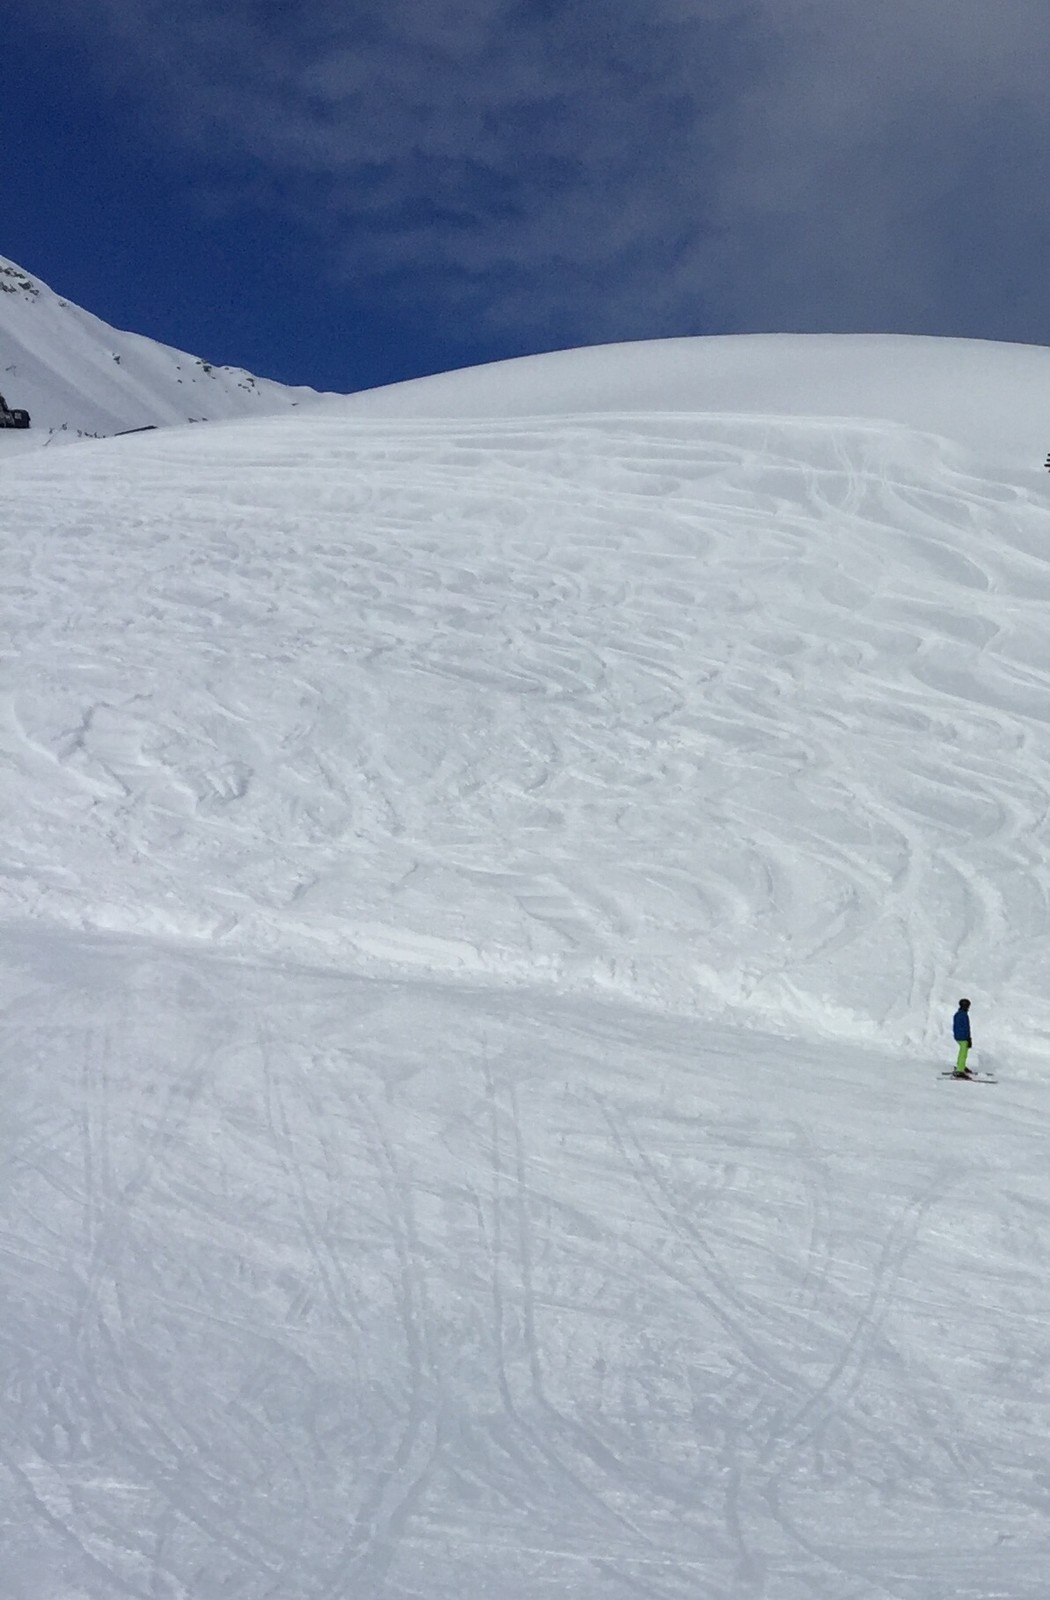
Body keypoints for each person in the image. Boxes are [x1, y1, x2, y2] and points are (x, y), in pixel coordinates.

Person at [953, 998, 973, 1076]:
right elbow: (966, 1028)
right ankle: (960, 1070)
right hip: (963, 1037)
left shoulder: (958, 1014)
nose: (968, 1008)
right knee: (963, 1053)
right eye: (967, 1006)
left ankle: (961, 1065)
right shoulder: (963, 1015)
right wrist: (968, 1038)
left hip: (958, 1036)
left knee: (963, 1052)